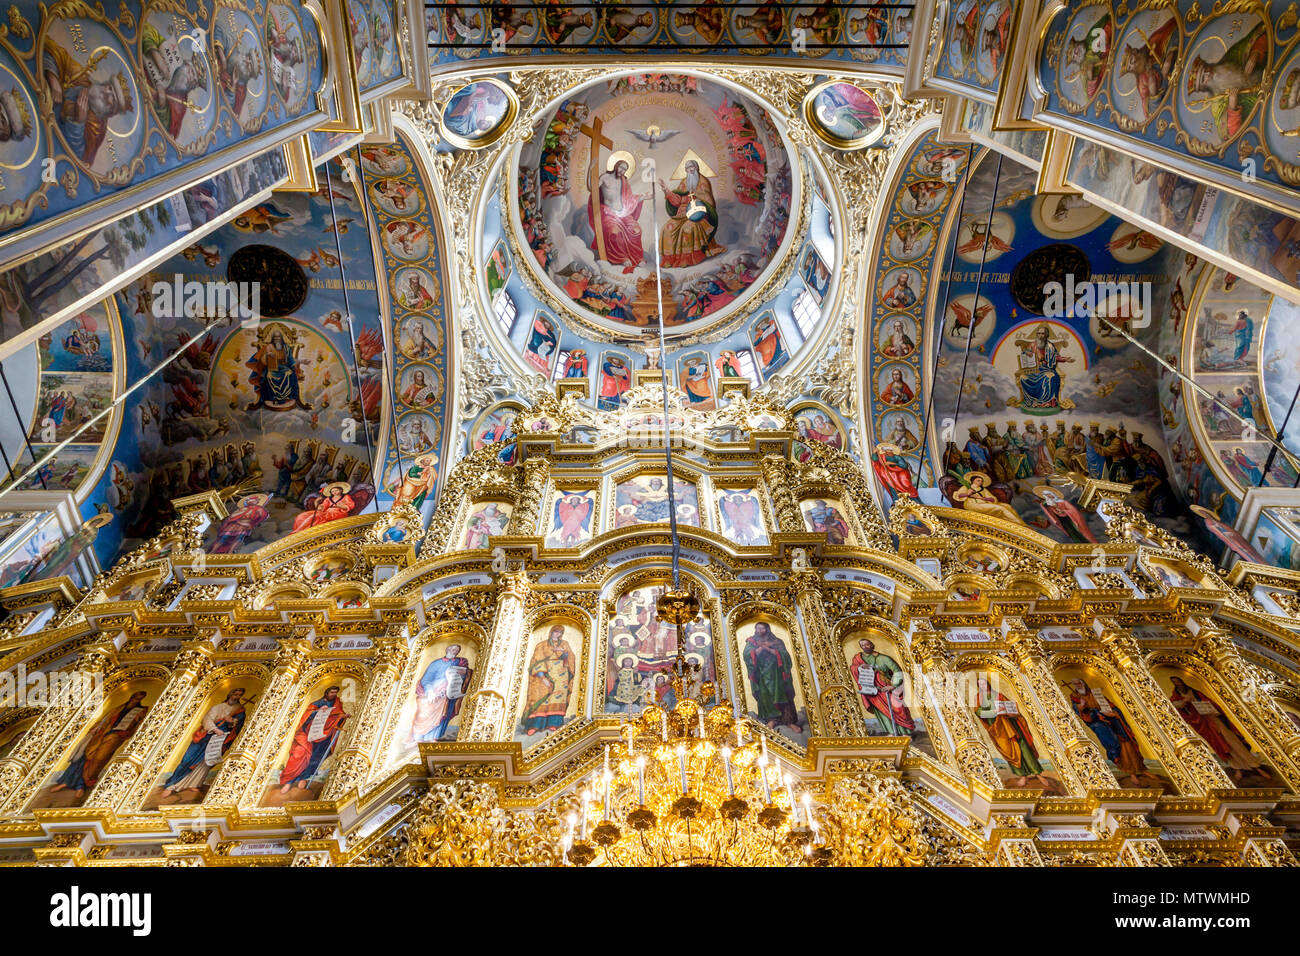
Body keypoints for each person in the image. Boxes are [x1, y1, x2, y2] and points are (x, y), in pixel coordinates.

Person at [1168, 675, 1268, 783]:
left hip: (1213, 719)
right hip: (1202, 725)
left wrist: (1199, 703)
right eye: (1175, 682)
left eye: (1178, 681)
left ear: (1182, 681)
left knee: (1232, 741)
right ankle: (1238, 768)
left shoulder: (1195, 692)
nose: (1178, 684)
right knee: (1220, 745)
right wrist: (1183, 705)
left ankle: (1256, 766)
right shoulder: (1175, 697)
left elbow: (1211, 703)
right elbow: (1175, 710)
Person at [49, 691, 149, 798]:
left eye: (137, 700)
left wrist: (136, 721)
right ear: (131, 697)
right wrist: (95, 728)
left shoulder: (141, 711)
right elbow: (105, 720)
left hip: (115, 738)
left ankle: (82, 785)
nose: (134, 701)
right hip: (101, 734)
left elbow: (140, 726)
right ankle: (67, 782)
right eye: (134, 698)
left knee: (98, 759)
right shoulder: (119, 708)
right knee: (83, 755)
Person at [160, 689, 248, 797]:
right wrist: (215, 729)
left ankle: (194, 783)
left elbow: (236, 726)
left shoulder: (239, 710)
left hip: (219, 739)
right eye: (235, 693)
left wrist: (231, 722)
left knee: (206, 762)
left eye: (239, 695)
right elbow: (207, 720)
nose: (236, 697)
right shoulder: (217, 707)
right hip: (205, 737)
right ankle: (171, 785)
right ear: (230, 694)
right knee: (188, 760)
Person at [277, 686, 349, 794]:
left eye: (335, 692)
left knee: (315, 757)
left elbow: (338, 715)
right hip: (309, 733)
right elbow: (307, 716)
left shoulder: (337, 703)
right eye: (331, 692)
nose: (333, 694)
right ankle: (289, 782)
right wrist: (318, 711)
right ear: (326, 692)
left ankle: (303, 778)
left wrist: (343, 716)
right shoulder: (316, 704)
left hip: (325, 735)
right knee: (299, 755)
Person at [659, 160, 726, 267]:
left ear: (696, 168)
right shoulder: (684, 182)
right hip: (681, 214)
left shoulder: (703, 182)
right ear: (685, 170)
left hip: (699, 214)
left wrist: (698, 207)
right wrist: (666, 190)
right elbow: (677, 201)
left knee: (688, 229)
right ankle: (669, 259)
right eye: (688, 168)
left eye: (692, 168)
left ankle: (688, 258)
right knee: (667, 228)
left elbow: (708, 202)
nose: (690, 170)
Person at [589, 158, 646, 273]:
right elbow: (592, 189)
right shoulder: (605, 177)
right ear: (616, 166)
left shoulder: (624, 181)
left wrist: (642, 198)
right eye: (621, 167)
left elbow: (629, 199)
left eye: (625, 169)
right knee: (614, 232)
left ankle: (637, 258)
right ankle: (621, 258)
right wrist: (590, 171)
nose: (622, 171)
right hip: (608, 213)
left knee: (636, 230)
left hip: (623, 213)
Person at [849, 639, 915, 736]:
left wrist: (893, 686)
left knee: (898, 708)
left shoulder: (884, 658)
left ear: (872, 645)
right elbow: (853, 667)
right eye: (863, 645)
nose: (865, 647)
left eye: (867, 644)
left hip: (887, 688)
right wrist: (860, 667)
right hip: (873, 689)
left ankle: (905, 732)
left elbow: (897, 671)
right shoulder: (858, 658)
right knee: (882, 711)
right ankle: (891, 732)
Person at [520, 626, 576, 736]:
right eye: (556, 632)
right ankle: (535, 725)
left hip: (561, 675)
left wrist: (564, 653)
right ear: (551, 632)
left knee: (558, 698)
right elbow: (536, 661)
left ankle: (553, 723)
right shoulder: (542, 645)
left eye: (560, 632)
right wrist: (542, 676)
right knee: (541, 697)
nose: (557, 634)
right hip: (545, 673)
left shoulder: (564, 644)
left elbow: (570, 658)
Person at [410, 645, 472, 742]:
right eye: (453, 649)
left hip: (447, 693)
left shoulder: (458, 662)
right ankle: (417, 738)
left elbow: (463, 676)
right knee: (424, 711)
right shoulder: (436, 663)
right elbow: (426, 679)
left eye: (457, 650)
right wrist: (430, 691)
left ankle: (433, 737)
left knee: (444, 713)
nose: (455, 651)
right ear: (447, 649)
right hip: (433, 691)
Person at [743, 622, 798, 729]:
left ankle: (789, 721)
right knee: (765, 694)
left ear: (767, 629)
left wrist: (769, 649)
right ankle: (771, 720)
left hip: (777, 673)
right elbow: (747, 655)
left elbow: (785, 656)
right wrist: (761, 648)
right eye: (757, 628)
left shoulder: (776, 641)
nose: (759, 631)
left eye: (762, 629)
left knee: (782, 694)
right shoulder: (751, 641)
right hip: (762, 673)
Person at [246, 324, 310, 411]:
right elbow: (263, 360)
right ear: (273, 339)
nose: (277, 339)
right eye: (275, 338)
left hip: (284, 367)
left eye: (278, 337)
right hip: (272, 368)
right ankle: (274, 397)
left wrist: (302, 361)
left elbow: (291, 360)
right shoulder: (269, 347)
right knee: (269, 376)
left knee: (288, 373)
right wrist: (267, 355)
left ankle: (284, 397)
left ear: (281, 338)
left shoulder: (286, 347)